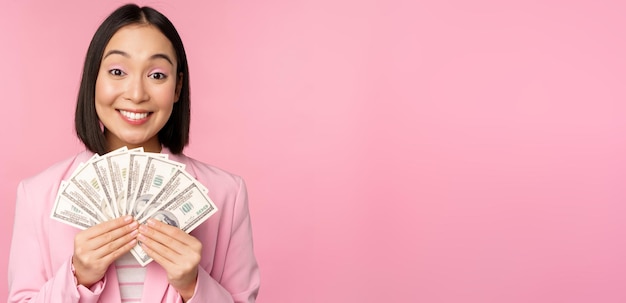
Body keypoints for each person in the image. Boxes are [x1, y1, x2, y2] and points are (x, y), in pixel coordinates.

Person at [8, 4, 260, 303]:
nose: (137, 94)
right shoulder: (37, 195)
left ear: (178, 87)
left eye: (157, 75)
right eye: (117, 71)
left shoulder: (225, 194)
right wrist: (77, 276)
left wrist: (193, 285)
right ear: (93, 80)